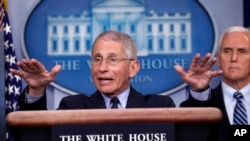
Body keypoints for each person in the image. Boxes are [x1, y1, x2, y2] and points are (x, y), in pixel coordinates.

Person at [174, 26, 250, 141]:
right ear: (218, 59)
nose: (234, 58)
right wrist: (199, 91)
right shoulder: (195, 107)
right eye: (227, 51)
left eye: (242, 51)